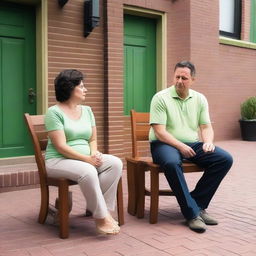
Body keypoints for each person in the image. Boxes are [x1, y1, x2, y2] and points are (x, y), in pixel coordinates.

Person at [149, 61, 233, 233]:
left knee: (224, 159)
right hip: (164, 144)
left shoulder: (199, 98)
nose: (179, 81)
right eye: (177, 77)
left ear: (193, 79)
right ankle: (192, 214)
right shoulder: (160, 97)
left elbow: (206, 126)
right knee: (172, 163)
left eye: (184, 78)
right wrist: (180, 146)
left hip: (192, 143)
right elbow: (159, 132)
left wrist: (208, 141)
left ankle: (197, 204)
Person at [45, 69, 123, 235]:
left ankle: (104, 210)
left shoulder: (87, 110)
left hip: (85, 158)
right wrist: (87, 159)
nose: (85, 89)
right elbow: (60, 146)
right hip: (58, 160)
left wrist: (94, 153)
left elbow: (92, 139)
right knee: (88, 171)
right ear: (69, 88)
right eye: (81, 86)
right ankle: (101, 218)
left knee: (115, 163)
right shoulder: (54, 112)